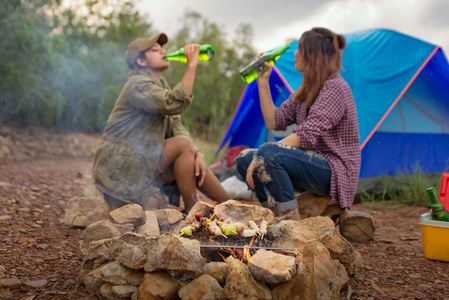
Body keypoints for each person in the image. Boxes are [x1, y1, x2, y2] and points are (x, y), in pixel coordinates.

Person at [93, 33, 230, 213]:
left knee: (192, 157)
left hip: (141, 161)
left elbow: (177, 127)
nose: (163, 51)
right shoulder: (137, 85)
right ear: (141, 62)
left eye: (162, 48)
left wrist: (197, 153)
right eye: (155, 50)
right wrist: (191, 65)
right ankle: (192, 211)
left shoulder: (161, 85)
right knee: (183, 146)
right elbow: (173, 103)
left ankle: (232, 206)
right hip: (120, 168)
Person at [235, 27, 361, 221]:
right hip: (310, 165)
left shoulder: (335, 87)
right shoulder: (307, 89)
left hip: (335, 171)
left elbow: (305, 135)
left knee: (268, 152)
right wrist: (262, 83)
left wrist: (263, 154)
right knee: (244, 158)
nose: (295, 53)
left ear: (313, 56)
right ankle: (276, 215)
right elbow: (274, 121)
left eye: (300, 49)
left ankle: (292, 226)